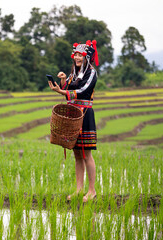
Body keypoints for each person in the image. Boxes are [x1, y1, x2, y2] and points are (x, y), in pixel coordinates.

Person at [48, 40, 99, 202]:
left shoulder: (91, 73)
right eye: (76, 54)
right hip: (74, 113)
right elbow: (69, 88)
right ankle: (79, 189)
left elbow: (83, 91)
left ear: (87, 58)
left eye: (80, 55)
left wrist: (60, 91)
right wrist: (63, 82)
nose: (77, 58)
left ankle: (92, 191)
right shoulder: (74, 73)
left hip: (85, 114)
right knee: (77, 154)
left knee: (86, 154)